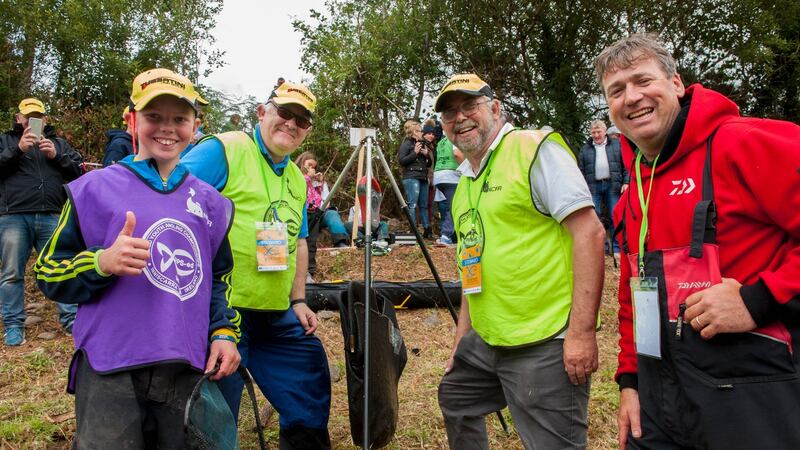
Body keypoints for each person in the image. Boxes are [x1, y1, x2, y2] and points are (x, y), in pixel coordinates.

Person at [596, 33, 800, 450]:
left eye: (642, 80)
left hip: (753, 391)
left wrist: (759, 298)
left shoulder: (743, 142)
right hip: (660, 403)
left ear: (676, 84)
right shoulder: (635, 186)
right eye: (616, 91)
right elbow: (635, 291)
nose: (631, 97)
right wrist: (631, 381)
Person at [34, 68, 241, 447]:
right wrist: (101, 263)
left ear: (196, 125)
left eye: (180, 119)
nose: (167, 128)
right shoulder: (92, 189)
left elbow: (219, 278)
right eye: (154, 117)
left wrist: (224, 332)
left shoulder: (212, 202)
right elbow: (47, 272)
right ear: (132, 120)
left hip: (185, 363)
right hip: (109, 364)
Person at [435, 73, 605, 449]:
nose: (459, 118)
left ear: (495, 109)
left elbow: (590, 234)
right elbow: (471, 265)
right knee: (456, 397)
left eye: (469, 107)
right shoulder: (465, 183)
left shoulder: (533, 149)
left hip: (543, 338)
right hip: (489, 339)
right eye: (449, 113)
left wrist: (580, 333)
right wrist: (462, 338)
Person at [181, 81, 332, 448]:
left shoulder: (297, 177)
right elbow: (168, 198)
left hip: (276, 313)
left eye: (302, 119)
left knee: (309, 379)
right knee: (216, 417)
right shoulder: (224, 150)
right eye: (285, 113)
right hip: (222, 312)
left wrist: (298, 300)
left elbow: (297, 240)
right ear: (262, 112)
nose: (292, 124)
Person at [0, 97, 83, 346]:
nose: (32, 121)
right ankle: (14, 325)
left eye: (38, 117)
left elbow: (78, 175)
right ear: (19, 119)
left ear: (44, 119)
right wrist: (18, 150)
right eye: (28, 117)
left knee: (62, 267)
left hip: (52, 214)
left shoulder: (57, 143)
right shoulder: (5, 141)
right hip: (13, 216)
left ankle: (72, 320)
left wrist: (58, 156)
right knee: (12, 272)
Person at [295, 151, 349, 282]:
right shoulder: (296, 176)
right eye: (309, 165)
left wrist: (319, 183)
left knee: (311, 241)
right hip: (300, 211)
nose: (312, 168)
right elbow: (300, 188)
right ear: (302, 163)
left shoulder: (316, 180)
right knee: (301, 241)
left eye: (314, 166)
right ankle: (300, 271)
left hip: (315, 212)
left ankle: (310, 270)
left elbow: (321, 197)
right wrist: (308, 177)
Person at [577, 119, 629, 254]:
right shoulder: (585, 149)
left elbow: (626, 165)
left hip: (613, 185)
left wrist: (626, 182)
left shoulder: (617, 145)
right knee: (595, 218)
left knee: (614, 216)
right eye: (593, 132)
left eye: (598, 131)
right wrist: (583, 188)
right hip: (593, 187)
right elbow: (580, 170)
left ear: (604, 131)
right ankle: (602, 248)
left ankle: (617, 249)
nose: (596, 135)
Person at [397, 120, 433, 237]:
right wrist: (415, 153)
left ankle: (427, 230)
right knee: (412, 205)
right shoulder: (406, 144)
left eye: (420, 130)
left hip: (422, 178)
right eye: (418, 131)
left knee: (424, 205)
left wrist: (426, 155)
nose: (421, 132)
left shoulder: (423, 144)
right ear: (412, 132)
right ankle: (414, 231)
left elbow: (429, 164)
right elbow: (402, 161)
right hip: (411, 177)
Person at [432, 135, 460, 245]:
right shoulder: (455, 138)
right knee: (454, 207)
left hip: (438, 176)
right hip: (451, 176)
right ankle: (446, 235)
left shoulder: (441, 141)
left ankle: (452, 236)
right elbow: (457, 154)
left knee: (448, 206)